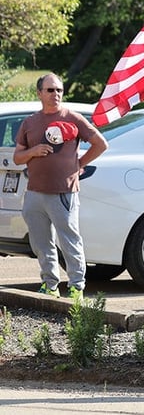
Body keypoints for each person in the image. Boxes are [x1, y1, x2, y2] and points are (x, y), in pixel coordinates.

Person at [13, 73, 108, 299]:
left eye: (59, 90)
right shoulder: (30, 122)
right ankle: (50, 284)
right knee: (40, 242)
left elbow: (100, 144)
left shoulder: (72, 118)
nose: (55, 94)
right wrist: (33, 152)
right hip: (34, 192)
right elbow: (17, 158)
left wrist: (79, 164)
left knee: (69, 239)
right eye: (50, 90)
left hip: (63, 192)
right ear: (39, 93)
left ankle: (77, 286)